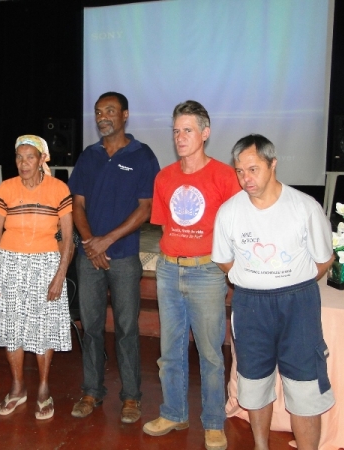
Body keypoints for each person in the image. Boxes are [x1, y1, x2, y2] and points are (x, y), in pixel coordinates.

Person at [212, 134, 335, 450]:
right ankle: (261, 446)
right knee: (253, 382)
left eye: (253, 169)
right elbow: (225, 260)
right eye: (240, 171)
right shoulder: (229, 212)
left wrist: (291, 282)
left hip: (299, 305)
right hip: (250, 305)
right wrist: (256, 279)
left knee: (306, 385)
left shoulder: (305, 207)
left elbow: (324, 260)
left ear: (273, 164)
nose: (246, 179)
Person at [145, 100, 240, 450]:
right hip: (169, 270)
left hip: (207, 272)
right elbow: (164, 225)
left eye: (187, 130)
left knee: (211, 353)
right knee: (169, 350)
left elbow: (235, 227)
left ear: (205, 133)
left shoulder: (224, 176)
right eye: (175, 131)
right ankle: (174, 412)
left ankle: (214, 422)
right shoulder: (164, 177)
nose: (180, 137)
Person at [68, 92, 160, 424]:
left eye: (110, 111)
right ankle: (92, 391)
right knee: (91, 328)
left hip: (122, 258)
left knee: (126, 329)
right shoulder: (88, 156)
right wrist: (91, 243)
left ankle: (131, 397)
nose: (102, 116)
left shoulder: (142, 155)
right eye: (97, 112)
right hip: (89, 258)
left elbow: (146, 208)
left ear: (125, 115)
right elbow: (77, 204)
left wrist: (105, 241)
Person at [0, 135, 73, 420]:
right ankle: (18, 387)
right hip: (10, 264)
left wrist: (60, 275)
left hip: (47, 264)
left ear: (42, 159)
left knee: (43, 328)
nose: (24, 163)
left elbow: (69, 238)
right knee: (13, 327)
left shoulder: (59, 189)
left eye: (30, 157)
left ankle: (44, 388)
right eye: (19, 157)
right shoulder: (6, 188)